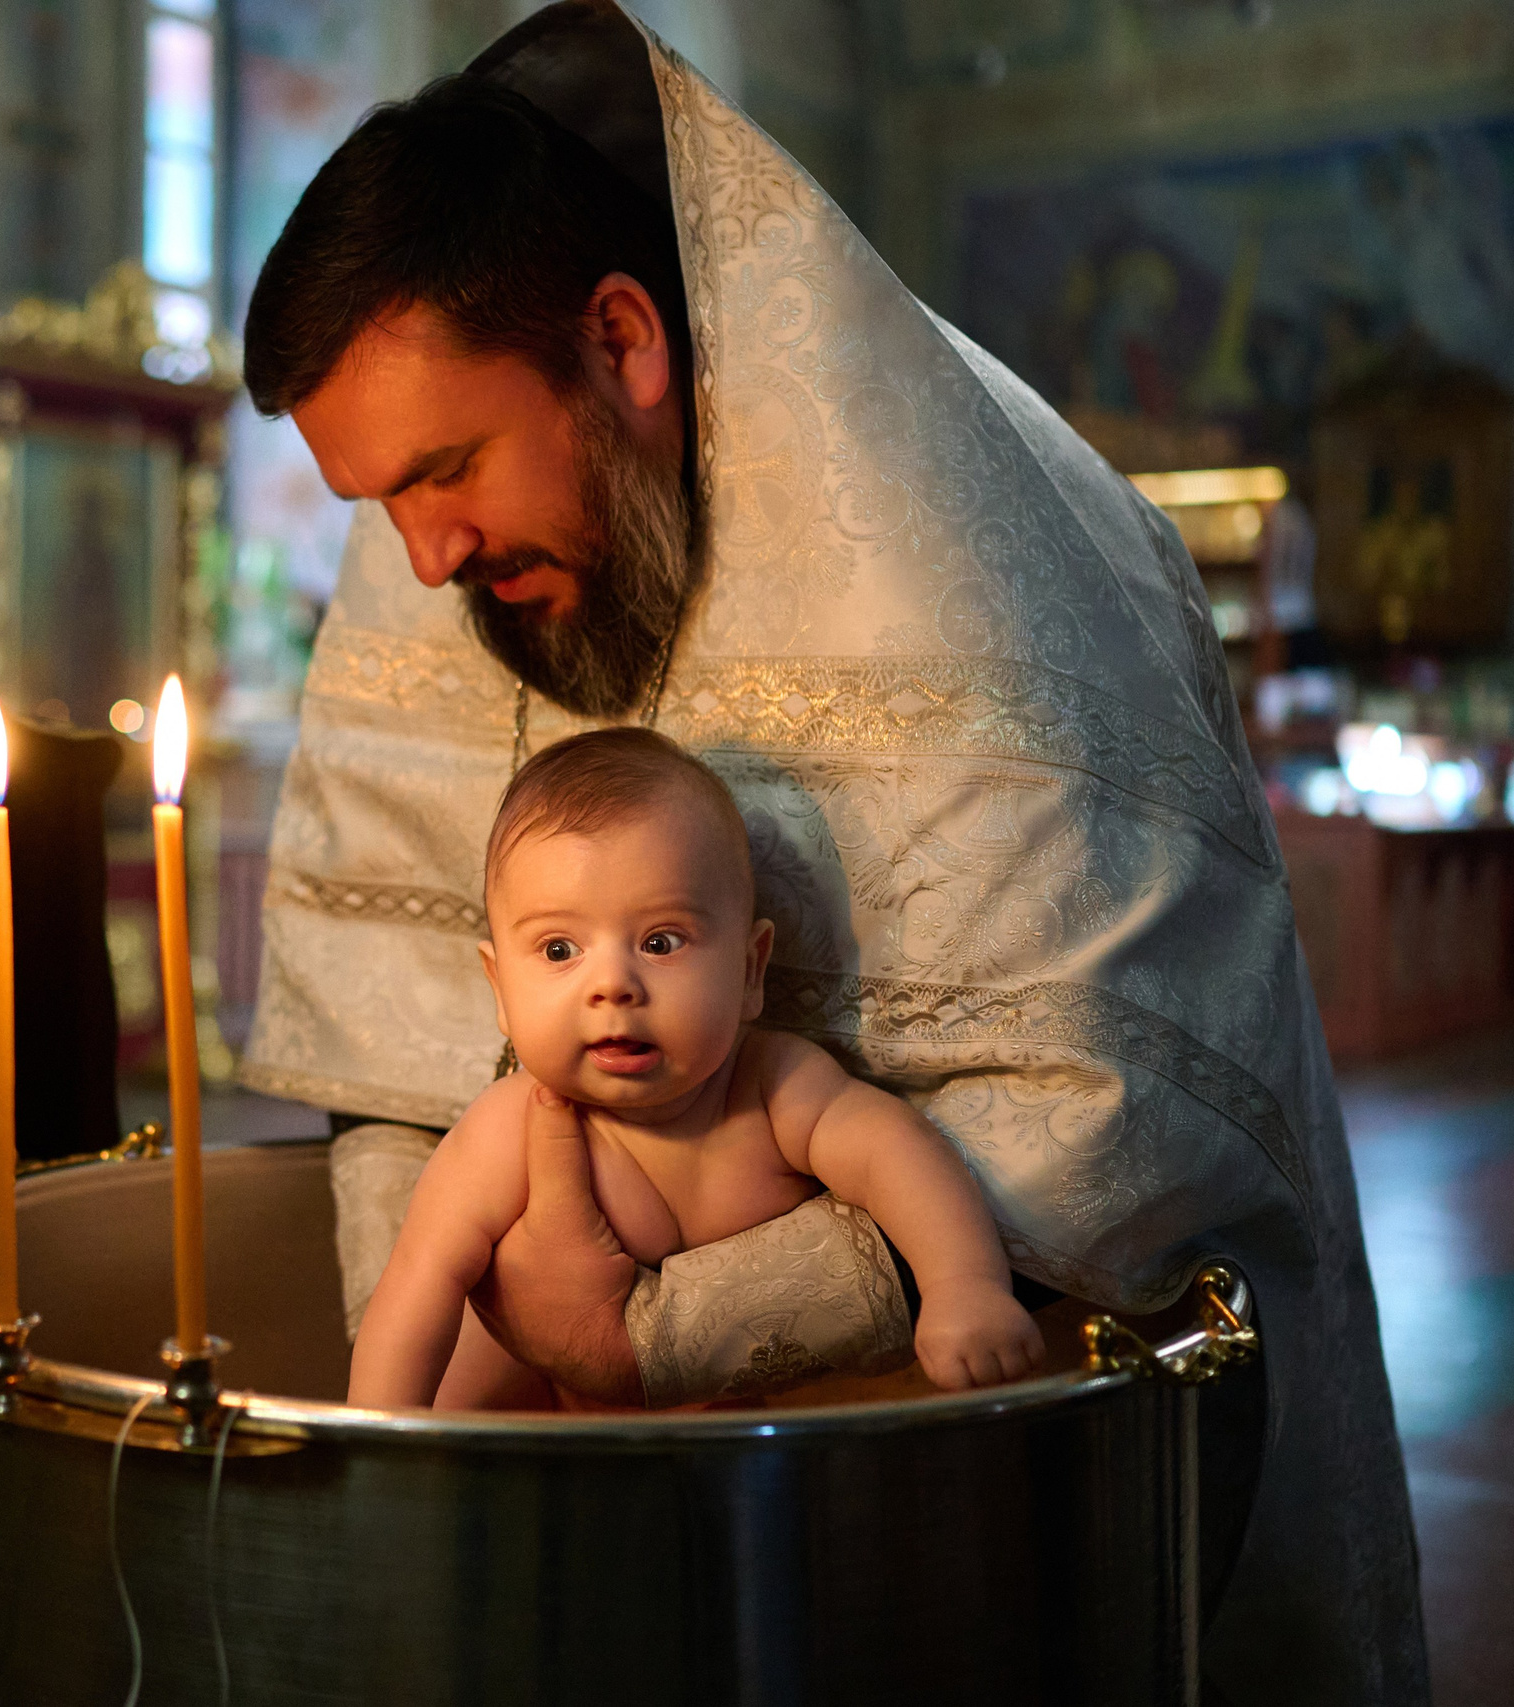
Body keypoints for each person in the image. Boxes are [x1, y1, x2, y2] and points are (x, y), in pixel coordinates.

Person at [235, 4, 1425, 1701]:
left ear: (623, 338)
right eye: (378, 505)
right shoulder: (470, 571)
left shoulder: (968, 563)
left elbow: (1099, 1134)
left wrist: (650, 1337)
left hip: (984, 1503)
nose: (421, 560)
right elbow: (396, 1067)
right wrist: (456, 1427)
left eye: (443, 472)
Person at [352, 729, 1045, 1409]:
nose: (612, 984)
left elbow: (898, 1153)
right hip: (529, 1420)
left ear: (750, 970)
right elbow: (417, 1284)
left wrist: (964, 1286)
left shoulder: (774, 1087)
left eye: (660, 941)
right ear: (500, 988)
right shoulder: (506, 1130)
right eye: (560, 949)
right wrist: (379, 1444)